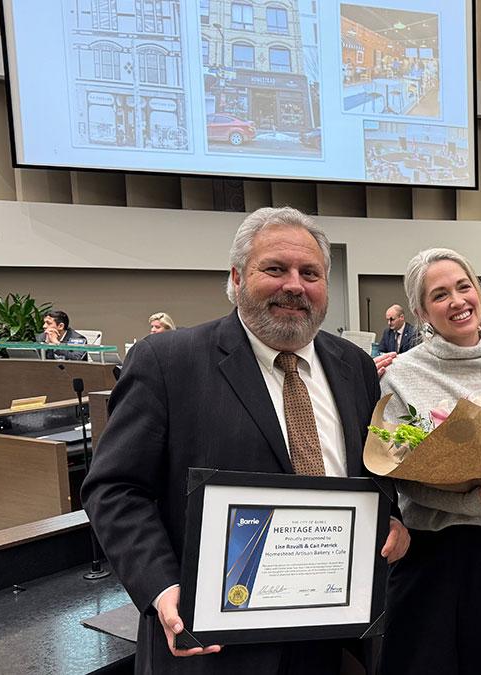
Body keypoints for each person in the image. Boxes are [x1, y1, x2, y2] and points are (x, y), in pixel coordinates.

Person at [81, 207, 409, 674]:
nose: (294, 285)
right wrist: (161, 587)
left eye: (310, 273)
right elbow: (113, 488)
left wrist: (389, 518)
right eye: (274, 269)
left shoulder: (354, 366)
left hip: (337, 638)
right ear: (237, 277)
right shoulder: (168, 362)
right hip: (216, 647)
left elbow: (372, 472)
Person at [378, 248, 481, 675]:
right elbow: (398, 474)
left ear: (479, 290)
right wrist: (475, 504)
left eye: (463, 287)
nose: (457, 301)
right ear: (421, 311)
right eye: (439, 295)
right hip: (429, 555)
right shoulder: (402, 375)